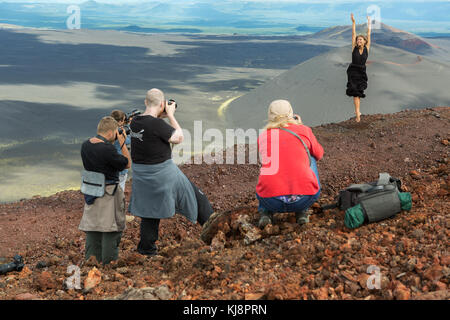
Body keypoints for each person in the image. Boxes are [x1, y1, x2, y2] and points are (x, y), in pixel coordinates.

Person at [128, 88, 210, 256]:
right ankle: (214, 230)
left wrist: (160, 114)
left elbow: (149, 125)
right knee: (198, 198)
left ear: (145, 102)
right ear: (162, 104)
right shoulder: (157, 125)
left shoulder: (135, 122)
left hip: (142, 176)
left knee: (150, 211)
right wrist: (171, 115)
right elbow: (178, 138)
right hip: (163, 173)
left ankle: (146, 249)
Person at [256, 100, 324, 228]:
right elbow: (319, 153)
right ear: (291, 114)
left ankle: (265, 212)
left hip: (270, 200)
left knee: (268, 166)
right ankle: (302, 212)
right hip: (304, 199)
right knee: (311, 155)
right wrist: (301, 127)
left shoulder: (263, 136)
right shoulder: (304, 130)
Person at [79, 116, 131, 264]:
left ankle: (91, 261)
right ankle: (109, 263)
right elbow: (127, 164)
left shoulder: (85, 145)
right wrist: (122, 142)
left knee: (93, 227)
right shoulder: (107, 149)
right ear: (110, 132)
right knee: (111, 228)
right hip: (109, 192)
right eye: (115, 132)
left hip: (91, 190)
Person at [346, 13, 372, 122]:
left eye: (361, 39)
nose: (358, 41)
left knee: (359, 92)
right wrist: (353, 23)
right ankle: (357, 114)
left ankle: (358, 111)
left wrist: (369, 23)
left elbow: (369, 34)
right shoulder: (354, 48)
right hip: (353, 71)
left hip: (362, 71)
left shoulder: (367, 48)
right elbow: (353, 34)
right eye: (358, 40)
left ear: (365, 41)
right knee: (355, 93)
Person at [110, 110, 131, 192]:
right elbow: (128, 141)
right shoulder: (119, 133)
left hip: (111, 164)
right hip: (121, 166)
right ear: (120, 121)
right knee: (120, 189)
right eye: (123, 120)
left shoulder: (108, 130)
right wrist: (128, 127)